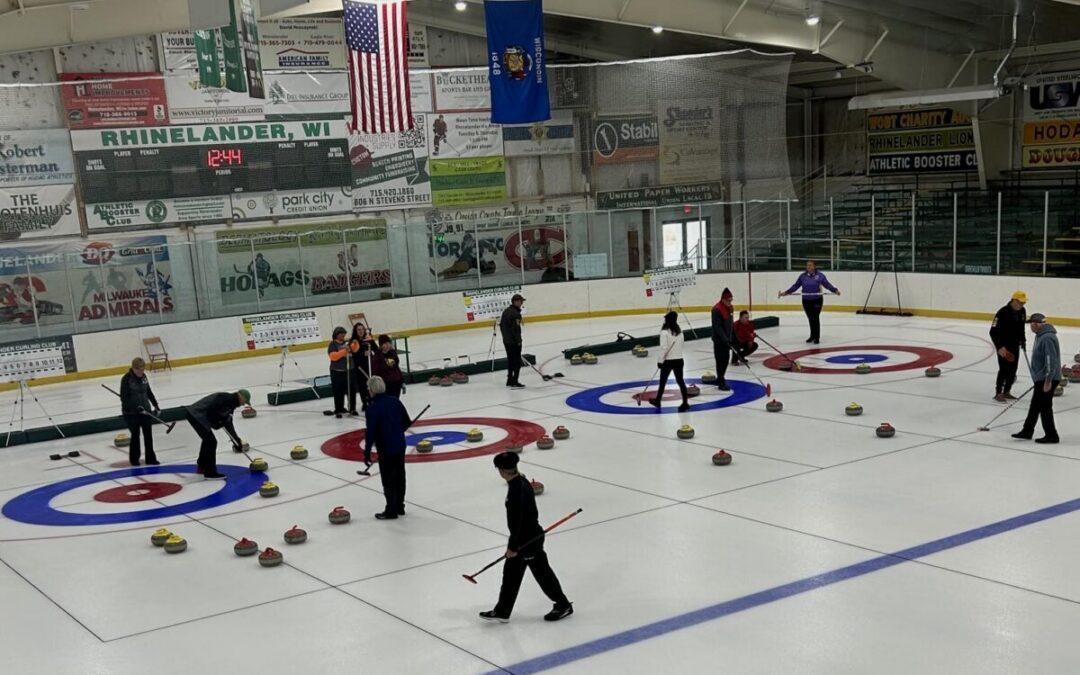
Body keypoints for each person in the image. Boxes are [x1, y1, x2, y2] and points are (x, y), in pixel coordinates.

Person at [480, 451, 573, 623]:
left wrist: (512, 547)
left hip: (528, 540)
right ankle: (502, 610)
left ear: (501, 471)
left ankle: (563, 604)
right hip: (526, 537)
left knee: (542, 574)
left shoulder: (517, 489)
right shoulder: (521, 481)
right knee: (510, 574)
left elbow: (517, 522)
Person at [362, 376, 411, 520]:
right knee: (400, 475)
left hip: (385, 448)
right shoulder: (395, 402)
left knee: (388, 478)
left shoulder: (372, 409)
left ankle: (391, 509)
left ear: (372, 390)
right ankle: (400, 505)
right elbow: (406, 422)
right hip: (400, 444)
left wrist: (366, 453)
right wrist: (396, 430)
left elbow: (370, 433)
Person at [1012, 313, 1060, 444]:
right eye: (1030, 324)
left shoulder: (1047, 338)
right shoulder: (1040, 336)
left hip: (1047, 379)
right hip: (1042, 378)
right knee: (1035, 405)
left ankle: (1052, 435)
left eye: (1033, 324)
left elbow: (1051, 360)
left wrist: (1048, 380)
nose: (1031, 327)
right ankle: (1027, 431)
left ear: (1039, 324)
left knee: (1045, 407)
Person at [184, 390, 250, 480]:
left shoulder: (232, 404)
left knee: (208, 440)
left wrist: (236, 440)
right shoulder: (225, 398)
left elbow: (228, 423)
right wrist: (218, 421)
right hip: (197, 414)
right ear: (240, 396)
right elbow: (211, 411)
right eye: (244, 401)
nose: (243, 404)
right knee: (211, 441)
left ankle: (202, 463)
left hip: (198, 415)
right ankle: (210, 472)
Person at [779, 260, 840, 344]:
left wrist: (835, 290)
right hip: (806, 300)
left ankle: (816, 337)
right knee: (810, 318)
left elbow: (827, 284)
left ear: (814, 266)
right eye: (807, 265)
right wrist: (786, 292)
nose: (808, 267)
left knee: (815, 317)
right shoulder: (802, 276)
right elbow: (795, 286)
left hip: (817, 299)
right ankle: (812, 336)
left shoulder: (820, 275)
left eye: (810, 265)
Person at [119, 357, 160, 466]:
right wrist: (135, 408)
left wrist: (155, 405)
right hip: (131, 414)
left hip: (145, 411)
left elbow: (149, 392)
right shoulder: (126, 379)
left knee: (148, 435)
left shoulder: (144, 377)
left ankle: (150, 458)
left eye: (143, 370)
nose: (141, 372)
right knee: (135, 435)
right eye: (139, 370)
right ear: (133, 368)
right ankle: (134, 459)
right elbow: (124, 398)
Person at [990, 291, 1027, 402]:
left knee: (1013, 369)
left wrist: (1023, 341)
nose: (1022, 305)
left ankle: (1007, 391)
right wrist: (1000, 347)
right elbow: (993, 331)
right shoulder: (1002, 312)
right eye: (1020, 302)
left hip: (1015, 344)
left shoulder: (1022, 311)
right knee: (1004, 369)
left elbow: (1021, 328)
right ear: (1014, 300)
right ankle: (998, 393)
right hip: (1004, 346)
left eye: (1023, 303)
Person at [650, 311, 690, 412]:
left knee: (662, 382)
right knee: (680, 381)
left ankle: (658, 400)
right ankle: (685, 403)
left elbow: (663, 348)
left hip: (668, 361)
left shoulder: (664, 332)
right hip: (679, 359)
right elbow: (681, 345)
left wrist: (660, 361)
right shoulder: (680, 331)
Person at [324, 327, 355, 418]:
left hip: (349, 370)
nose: (342, 335)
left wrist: (354, 345)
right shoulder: (332, 344)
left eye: (343, 333)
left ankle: (352, 408)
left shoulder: (348, 343)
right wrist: (345, 351)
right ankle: (339, 408)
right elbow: (333, 357)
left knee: (351, 391)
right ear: (336, 334)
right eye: (340, 333)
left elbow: (354, 351)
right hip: (337, 371)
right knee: (338, 391)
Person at [710, 288, 735, 391]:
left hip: (727, 339)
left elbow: (730, 323)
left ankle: (720, 377)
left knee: (725, 359)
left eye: (731, 300)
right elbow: (718, 327)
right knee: (720, 360)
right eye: (728, 300)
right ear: (723, 299)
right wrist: (725, 339)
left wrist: (731, 337)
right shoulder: (716, 309)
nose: (730, 302)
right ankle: (721, 381)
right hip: (719, 340)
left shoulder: (730, 308)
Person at [500, 293, 526, 389]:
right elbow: (516, 329)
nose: (522, 303)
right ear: (515, 301)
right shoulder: (516, 314)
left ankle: (509, 379)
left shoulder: (506, 311)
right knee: (517, 361)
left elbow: (502, 326)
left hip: (506, 341)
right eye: (521, 301)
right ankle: (515, 380)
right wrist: (518, 341)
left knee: (510, 360)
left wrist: (506, 338)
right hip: (513, 342)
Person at [350, 322, 376, 412]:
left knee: (372, 384)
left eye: (362, 329)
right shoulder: (354, 341)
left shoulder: (368, 339)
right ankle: (365, 403)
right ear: (355, 331)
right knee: (362, 386)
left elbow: (376, 350)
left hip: (370, 366)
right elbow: (354, 354)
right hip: (360, 368)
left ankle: (372, 400)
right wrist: (362, 354)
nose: (361, 331)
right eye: (358, 330)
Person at [372, 334, 405, 398]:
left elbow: (396, 368)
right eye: (385, 343)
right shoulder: (377, 357)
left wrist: (402, 381)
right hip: (386, 384)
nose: (387, 345)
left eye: (389, 343)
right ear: (381, 345)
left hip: (396, 383)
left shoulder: (392, 353)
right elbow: (375, 372)